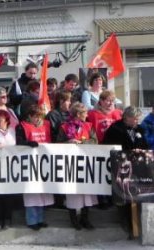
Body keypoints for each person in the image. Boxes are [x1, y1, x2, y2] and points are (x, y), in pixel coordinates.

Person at [102, 106, 149, 239]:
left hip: (138, 168)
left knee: (136, 196)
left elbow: (144, 145)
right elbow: (109, 147)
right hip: (121, 168)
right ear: (127, 117)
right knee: (123, 196)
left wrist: (141, 150)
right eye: (135, 118)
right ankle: (126, 225)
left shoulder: (139, 129)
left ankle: (136, 225)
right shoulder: (115, 129)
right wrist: (127, 153)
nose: (137, 120)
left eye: (138, 118)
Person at [56, 102, 98, 230]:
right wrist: (68, 142)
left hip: (86, 163)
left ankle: (85, 219)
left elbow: (95, 141)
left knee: (87, 192)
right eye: (85, 112)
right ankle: (74, 219)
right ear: (78, 114)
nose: (87, 115)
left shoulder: (88, 126)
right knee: (72, 192)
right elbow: (57, 144)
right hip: (70, 165)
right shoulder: (64, 127)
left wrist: (82, 142)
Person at [16, 105, 54, 230]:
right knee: (32, 194)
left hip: (43, 164)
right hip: (29, 165)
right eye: (35, 117)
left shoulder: (47, 125)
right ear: (29, 116)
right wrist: (28, 143)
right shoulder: (22, 127)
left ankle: (40, 219)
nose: (38, 119)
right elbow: (19, 142)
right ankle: (32, 221)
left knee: (42, 193)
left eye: (40, 117)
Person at [87, 90, 122, 208]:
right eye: (107, 100)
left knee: (113, 174)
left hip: (115, 148)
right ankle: (101, 200)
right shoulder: (92, 114)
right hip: (100, 148)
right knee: (100, 174)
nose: (110, 103)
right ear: (101, 102)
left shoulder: (118, 113)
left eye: (112, 101)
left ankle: (113, 198)